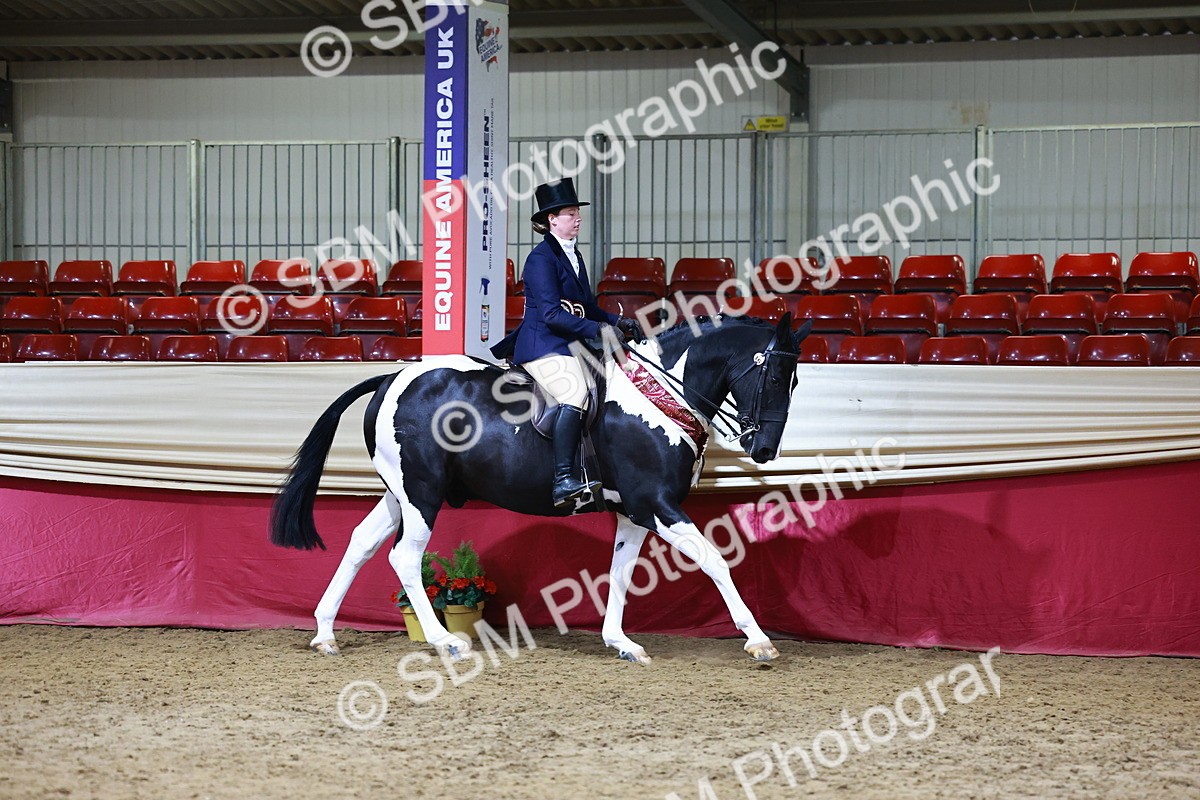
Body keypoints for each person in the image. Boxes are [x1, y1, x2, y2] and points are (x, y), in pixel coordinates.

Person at [491, 178, 642, 509]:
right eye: (571, 213)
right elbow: (551, 315)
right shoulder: (540, 259)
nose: (577, 218)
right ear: (551, 220)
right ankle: (563, 480)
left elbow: (586, 306)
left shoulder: (574, 256)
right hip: (543, 343)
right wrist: (599, 329)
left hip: (570, 342)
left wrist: (618, 321)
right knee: (575, 392)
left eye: (577, 212)